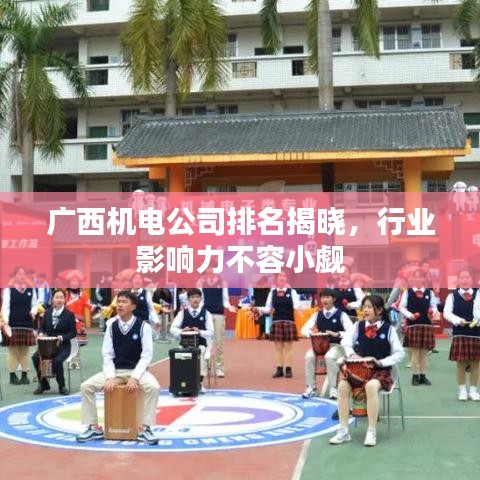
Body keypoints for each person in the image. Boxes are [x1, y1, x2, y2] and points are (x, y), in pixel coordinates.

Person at [76, 290, 159, 445]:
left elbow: (146, 356)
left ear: (133, 306)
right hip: (116, 371)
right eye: (118, 301)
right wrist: (110, 377)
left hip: (137, 372)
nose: (120, 305)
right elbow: (107, 354)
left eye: (124, 302)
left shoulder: (144, 327)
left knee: (153, 387)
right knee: (86, 387)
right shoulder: (111, 326)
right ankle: (93, 427)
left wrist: (135, 377)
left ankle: (145, 428)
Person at [329, 295, 405, 447]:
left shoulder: (389, 329)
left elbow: (400, 353)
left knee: (371, 386)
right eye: (364, 307)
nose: (365, 310)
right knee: (342, 386)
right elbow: (345, 342)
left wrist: (381, 362)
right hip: (359, 370)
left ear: (379, 310)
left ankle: (371, 431)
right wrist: (352, 354)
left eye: (369, 307)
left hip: (381, 372)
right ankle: (343, 430)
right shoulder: (358, 326)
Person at [301, 289, 354, 399]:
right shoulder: (317, 315)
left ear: (333, 299)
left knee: (329, 356)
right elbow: (303, 330)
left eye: (327, 297)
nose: (324, 300)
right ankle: (311, 388)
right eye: (323, 297)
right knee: (308, 356)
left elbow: (352, 332)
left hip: (337, 346)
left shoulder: (341, 315)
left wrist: (337, 334)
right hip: (320, 346)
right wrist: (312, 333)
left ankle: (333, 389)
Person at [1, 266, 42, 385]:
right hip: (12, 324)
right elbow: (5, 306)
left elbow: (34, 304)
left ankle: (24, 376)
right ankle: (12, 376)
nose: (21, 276)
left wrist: (33, 312)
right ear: (15, 276)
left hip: (27, 324)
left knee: (25, 351)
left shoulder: (31, 289)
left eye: (23, 274)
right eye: (19, 274)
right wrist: (6, 322)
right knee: (13, 351)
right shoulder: (9, 290)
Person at [255, 271, 300, 378]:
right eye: (280, 276)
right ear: (276, 279)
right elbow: (268, 308)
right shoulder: (272, 292)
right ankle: (279, 369)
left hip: (289, 321)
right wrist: (258, 309)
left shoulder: (292, 292)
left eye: (284, 276)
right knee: (278, 347)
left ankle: (288, 369)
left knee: (288, 346)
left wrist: (299, 309)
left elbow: (297, 305)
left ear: (286, 279)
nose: (282, 278)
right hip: (276, 321)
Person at [32, 289, 76, 395]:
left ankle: (62, 386)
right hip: (48, 346)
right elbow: (42, 328)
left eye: (61, 297)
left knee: (57, 361)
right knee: (35, 357)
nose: (59, 300)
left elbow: (73, 333)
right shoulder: (47, 313)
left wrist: (62, 337)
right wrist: (41, 333)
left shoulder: (69, 315)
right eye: (57, 297)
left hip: (63, 346)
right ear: (52, 299)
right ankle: (43, 384)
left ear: (64, 300)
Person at [444, 268, 480, 401]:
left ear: (472, 279)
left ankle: (473, 391)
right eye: (462, 277)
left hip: (476, 333)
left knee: (476, 364)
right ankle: (462, 391)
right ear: (458, 280)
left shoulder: (478, 293)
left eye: (468, 277)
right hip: (460, 333)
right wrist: (458, 320)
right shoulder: (452, 296)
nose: (465, 280)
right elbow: (447, 313)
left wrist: (478, 320)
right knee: (461, 363)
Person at [399, 268, 439, 386]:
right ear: (411, 279)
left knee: (424, 352)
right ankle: (415, 376)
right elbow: (401, 307)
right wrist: (410, 315)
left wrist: (433, 312)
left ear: (424, 279)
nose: (417, 279)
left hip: (426, 324)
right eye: (415, 276)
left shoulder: (429, 292)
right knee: (415, 352)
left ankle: (423, 375)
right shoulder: (408, 292)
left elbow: (434, 306)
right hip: (413, 325)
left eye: (420, 276)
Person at [170, 288, 214, 393]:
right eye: (193, 297)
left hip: (200, 344)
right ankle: (182, 383)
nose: (195, 299)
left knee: (199, 353)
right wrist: (181, 331)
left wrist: (200, 332)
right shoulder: (182, 313)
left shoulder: (206, 313)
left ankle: (199, 383)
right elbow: (172, 329)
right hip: (184, 345)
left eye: (197, 297)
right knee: (179, 356)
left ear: (201, 299)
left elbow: (211, 332)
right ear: (188, 299)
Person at [196, 265, 237, 378]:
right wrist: (198, 311)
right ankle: (205, 368)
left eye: (212, 268)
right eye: (208, 268)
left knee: (219, 343)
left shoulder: (223, 282)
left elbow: (225, 300)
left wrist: (229, 307)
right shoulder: (201, 282)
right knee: (206, 343)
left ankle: (219, 368)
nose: (210, 270)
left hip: (219, 315)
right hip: (206, 315)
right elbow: (200, 300)